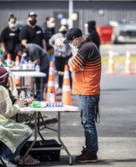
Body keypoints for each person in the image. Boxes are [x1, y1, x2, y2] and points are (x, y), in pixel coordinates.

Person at [0, 65, 39, 166]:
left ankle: (10, 155)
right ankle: (5, 157)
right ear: (4, 78)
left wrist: (18, 103)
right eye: (8, 77)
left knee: (15, 128)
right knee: (26, 131)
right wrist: (18, 105)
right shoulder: (0, 89)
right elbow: (7, 113)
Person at [63, 28, 101, 163]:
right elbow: (77, 65)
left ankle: (91, 152)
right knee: (86, 122)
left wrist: (71, 62)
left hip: (88, 90)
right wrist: (76, 63)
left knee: (88, 122)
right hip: (86, 90)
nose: (71, 44)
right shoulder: (87, 46)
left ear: (77, 38)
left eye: (71, 41)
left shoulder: (86, 48)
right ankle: (90, 150)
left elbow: (73, 66)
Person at [49, 25, 73, 94]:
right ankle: (60, 87)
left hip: (67, 56)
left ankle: (70, 87)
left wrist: (62, 43)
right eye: (62, 29)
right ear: (59, 29)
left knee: (68, 72)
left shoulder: (68, 37)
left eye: (64, 29)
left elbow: (69, 42)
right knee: (59, 72)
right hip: (58, 56)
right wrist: (54, 46)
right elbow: (50, 41)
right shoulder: (55, 36)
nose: (63, 30)